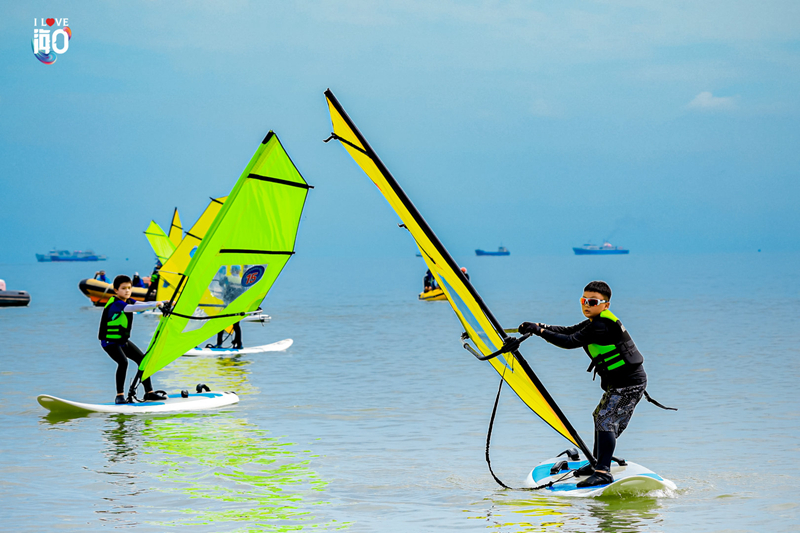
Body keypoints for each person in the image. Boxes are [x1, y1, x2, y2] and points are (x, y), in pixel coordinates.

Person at [518, 280, 647, 488]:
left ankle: (603, 472)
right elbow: (569, 331)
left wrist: (540, 332)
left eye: (593, 301)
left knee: (606, 421)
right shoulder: (594, 322)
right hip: (619, 383)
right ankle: (597, 463)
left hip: (630, 383)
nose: (587, 304)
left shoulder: (601, 326)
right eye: (583, 300)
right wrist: (539, 326)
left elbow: (569, 342)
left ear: (606, 305)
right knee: (599, 417)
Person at [99, 275, 167, 404]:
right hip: (110, 342)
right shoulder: (116, 304)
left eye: (129, 288)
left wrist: (164, 302)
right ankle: (119, 396)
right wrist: (155, 304)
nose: (127, 291)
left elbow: (142, 304)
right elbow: (134, 309)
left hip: (122, 341)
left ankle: (149, 393)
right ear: (116, 290)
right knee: (123, 362)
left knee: (143, 361)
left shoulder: (129, 300)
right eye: (123, 288)